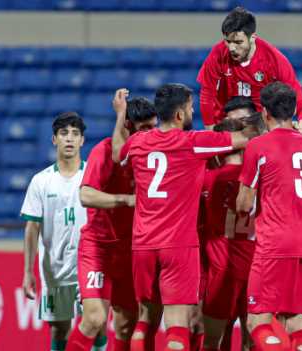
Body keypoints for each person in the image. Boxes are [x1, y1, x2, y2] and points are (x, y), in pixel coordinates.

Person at [111, 83, 252, 351]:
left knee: (144, 321)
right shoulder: (193, 142)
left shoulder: (138, 142)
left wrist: (120, 114)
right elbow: (243, 139)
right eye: (190, 107)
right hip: (178, 246)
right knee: (177, 325)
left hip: (142, 245)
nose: (192, 111)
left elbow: (118, 151)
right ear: (179, 115)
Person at [236, 82, 302, 351]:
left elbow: (243, 203)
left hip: (276, 242)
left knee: (257, 322)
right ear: (295, 111)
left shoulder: (259, 146)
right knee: (297, 325)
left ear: (265, 113)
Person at [65, 98, 159, 351]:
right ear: (127, 126)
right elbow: (86, 195)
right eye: (144, 129)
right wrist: (127, 200)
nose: (151, 134)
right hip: (99, 248)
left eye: (154, 127)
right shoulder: (105, 151)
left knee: (127, 325)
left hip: (132, 251)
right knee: (95, 318)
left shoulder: (154, 155)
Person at [21, 112, 92, 351]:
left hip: (90, 264)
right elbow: (32, 228)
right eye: (64, 134)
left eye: (75, 134)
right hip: (55, 269)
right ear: (54, 140)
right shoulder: (41, 181)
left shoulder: (93, 175)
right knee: (59, 329)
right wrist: (28, 271)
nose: (69, 139)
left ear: (82, 140)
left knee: (96, 321)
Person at [200, 97, 261, 351]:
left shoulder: (206, 178)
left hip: (219, 270)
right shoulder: (262, 177)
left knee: (211, 340)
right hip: (253, 267)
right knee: (252, 339)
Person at [197, 6, 302, 135]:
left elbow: (299, 99)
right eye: (228, 41)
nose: (231, 48)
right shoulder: (217, 54)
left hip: (260, 126)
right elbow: (206, 96)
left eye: (238, 42)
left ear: (252, 37)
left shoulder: (274, 59)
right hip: (227, 122)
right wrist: (211, 133)